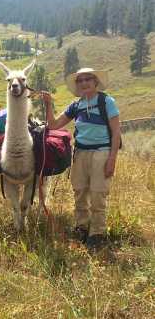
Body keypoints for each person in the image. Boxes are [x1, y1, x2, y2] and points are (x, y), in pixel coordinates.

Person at [41, 68, 121, 250]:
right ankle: (81, 228)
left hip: (102, 152)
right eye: (80, 80)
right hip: (80, 152)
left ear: (95, 82)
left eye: (88, 79)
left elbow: (116, 132)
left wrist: (112, 159)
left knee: (98, 193)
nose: (84, 83)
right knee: (80, 192)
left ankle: (97, 233)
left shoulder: (106, 101)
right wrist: (48, 105)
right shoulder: (76, 105)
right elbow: (53, 125)